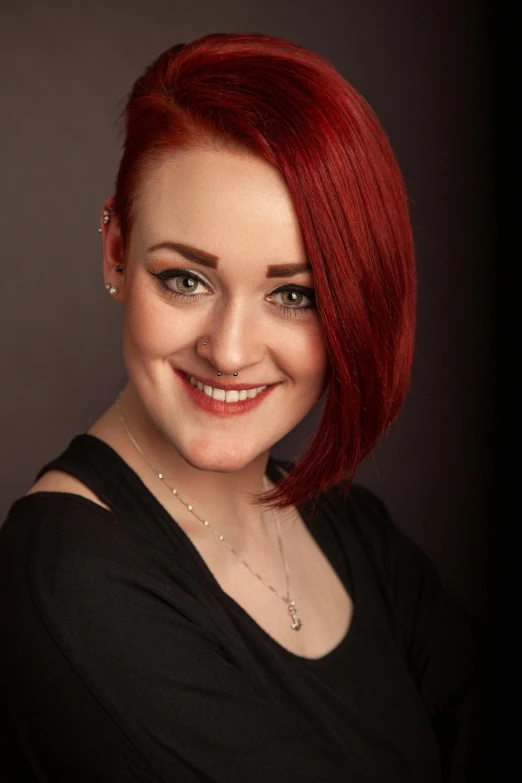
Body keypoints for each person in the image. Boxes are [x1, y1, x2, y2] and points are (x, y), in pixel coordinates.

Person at [0, 31, 492, 782]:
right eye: (185, 280)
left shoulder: (351, 529)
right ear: (115, 252)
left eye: (292, 294)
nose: (229, 351)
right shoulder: (67, 579)